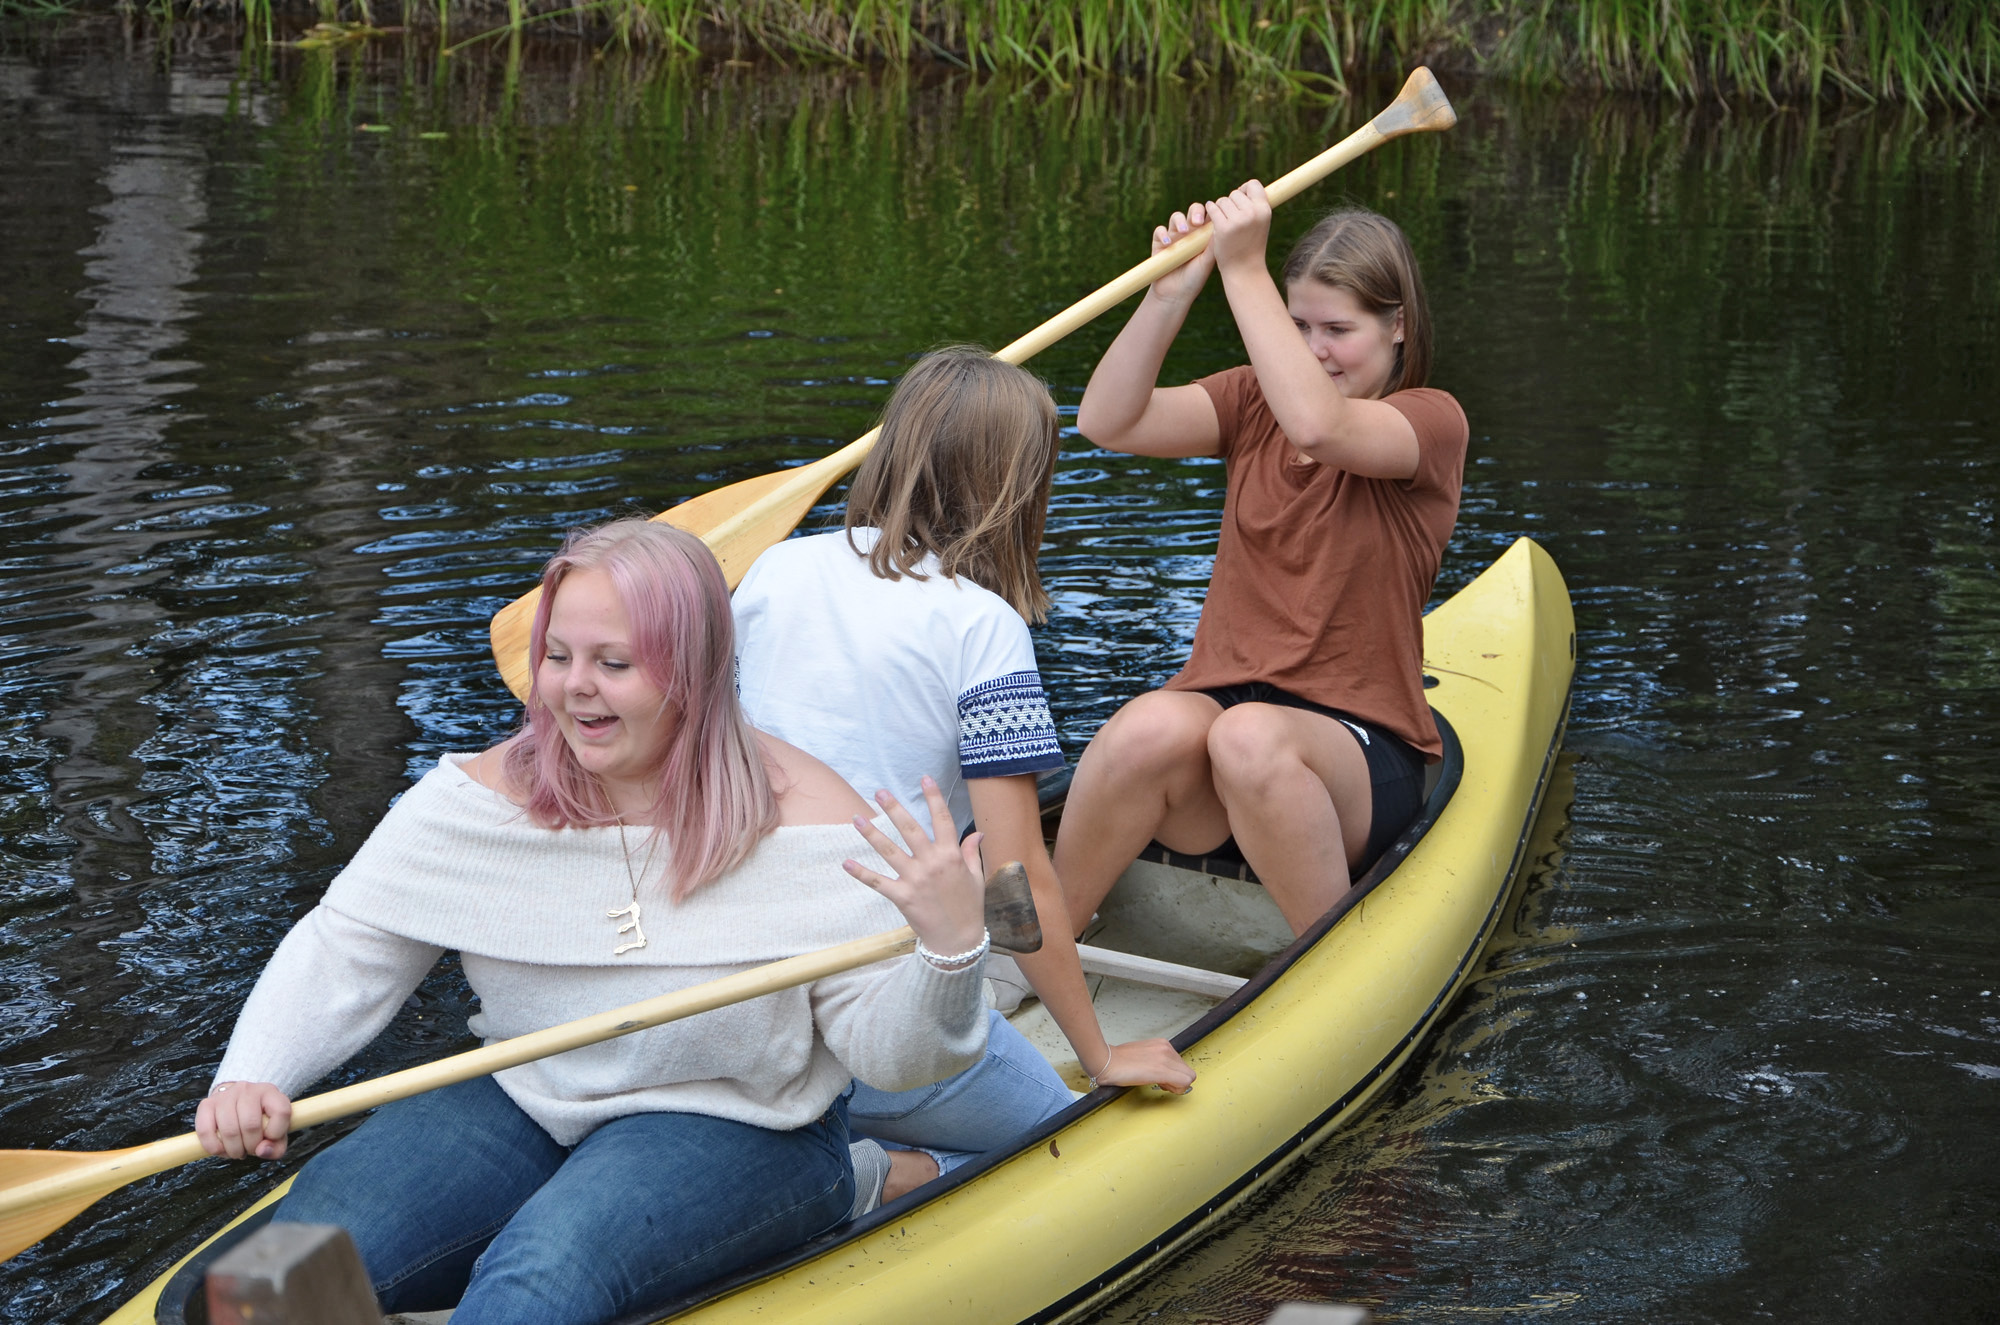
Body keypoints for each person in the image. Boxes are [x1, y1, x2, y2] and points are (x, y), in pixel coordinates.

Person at [194, 519, 993, 1325]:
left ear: (693, 672)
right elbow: (348, 947)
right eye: (558, 655)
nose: (575, 686)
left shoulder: (814, 824)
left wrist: (948, 952)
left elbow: (890, 1056)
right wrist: (252, 1072)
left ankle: (853, 1178)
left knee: (535, 1281)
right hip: (530, 1092)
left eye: (613, 663)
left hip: (745, 1119)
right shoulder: (476, 804)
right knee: (268, 1282)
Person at [732, 348, 1195, 1211]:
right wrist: (1098, 1055)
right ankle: (876, 1174)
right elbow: (1014, 880)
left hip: (743, 986)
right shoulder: (981, 628)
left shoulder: (770, 572)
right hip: (874, 1028)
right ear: (1019, 488)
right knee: (1067, 1149)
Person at [1053, 190, 1467, 940]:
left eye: (1337, 329)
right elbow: (1106, 420)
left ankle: (1333, 972)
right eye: (1298, 323)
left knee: (1249, 737)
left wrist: (1244, 270)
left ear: (1398, 325)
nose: (1311, 347)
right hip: (1223, 751)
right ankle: (1040, 951)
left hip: (1354, 761)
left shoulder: (1430, 423)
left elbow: (1323, 423)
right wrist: (1170, 292)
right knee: (1145, 726)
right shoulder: (1253, 403)